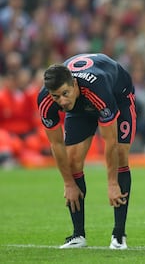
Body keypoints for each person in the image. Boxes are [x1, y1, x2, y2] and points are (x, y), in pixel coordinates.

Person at [37, 53, 136, 249]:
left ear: (74, 84)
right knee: (73, 162)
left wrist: (112, 184)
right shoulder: (46, 100)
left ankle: (118, 235)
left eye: (65, 93)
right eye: (56, 96)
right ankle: (78, 235)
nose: (62, 102)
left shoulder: (98, 89)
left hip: (118, 94)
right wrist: (68, 183)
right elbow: (56, 145)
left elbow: (110, 141)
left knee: (121, 156)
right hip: (81, 105)